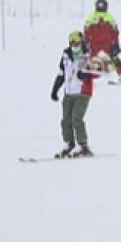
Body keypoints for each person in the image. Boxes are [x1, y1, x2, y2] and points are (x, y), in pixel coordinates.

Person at [50, 30, 100, 158]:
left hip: (83, 92)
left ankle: (83, 146)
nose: (74, 44)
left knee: (76, 119)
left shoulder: (88, 54)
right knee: (66, 120)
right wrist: (55, 89)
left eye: (77, 41)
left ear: (82, 41)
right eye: (72, 42)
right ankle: (69, 144)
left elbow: (98, 71)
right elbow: (61, 73)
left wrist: (85, 75)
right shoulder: (66, 55)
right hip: (69, 92)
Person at [84, 0, 121, 83]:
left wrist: (86, 43)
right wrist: (116, 43)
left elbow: (86, 32)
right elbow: (115, 32)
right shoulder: (109, 17)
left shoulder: (91, 17)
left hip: (97, 44)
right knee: (114, 59)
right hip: (104, 44)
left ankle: (86, 80)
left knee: (90, 61)